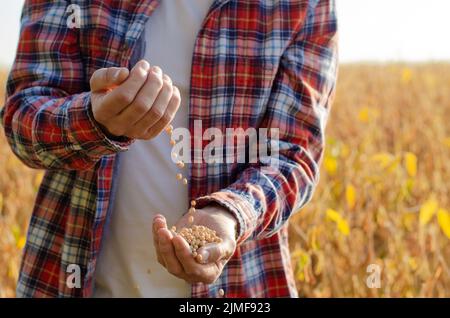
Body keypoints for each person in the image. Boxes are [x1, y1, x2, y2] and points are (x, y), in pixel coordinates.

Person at [0, 0, 338, 297]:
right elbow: (22, 122)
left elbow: (294, 153)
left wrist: (231, 214)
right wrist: (93, 119)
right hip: (72, 277)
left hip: (240, 283)